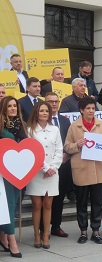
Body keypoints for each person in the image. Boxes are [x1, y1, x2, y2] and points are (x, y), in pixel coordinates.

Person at [64, 97, 102, 244]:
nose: (91, 111)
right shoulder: (74, 126)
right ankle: (83, 231)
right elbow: (67, 146)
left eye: (93, 108)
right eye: (88, 108)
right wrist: (77, 145)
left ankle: (96, 231)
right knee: (81, 203)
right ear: (81, 110)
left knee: (97, 202)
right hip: (82, 169)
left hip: (99, 169)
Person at [26, 101, 63, 249]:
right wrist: (46, 168)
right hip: (36, 172)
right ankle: (36, 235)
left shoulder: (55, 129)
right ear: (36, 112)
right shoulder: (30, 130)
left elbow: (59, 150)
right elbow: (32, 152)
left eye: (46, 111)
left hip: (52, 173)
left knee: (48, 205)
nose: (44, 113)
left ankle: (46, 235)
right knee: (37, 205)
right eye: (41, 111)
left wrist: (53, 168)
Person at [0, 96, 27, 258]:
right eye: (9, 106)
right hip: (4, 173)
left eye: (14, 106)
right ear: (4, 108)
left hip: (19, 171)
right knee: (9, 204)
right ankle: (12, 240)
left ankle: (3, 236)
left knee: (14, 203)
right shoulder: (1, 127)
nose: (12, 108)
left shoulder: (20, 126)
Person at [44, 92, 72, 237]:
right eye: (50, 101)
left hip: (63, 163)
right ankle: (44, 229)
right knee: (45, 197)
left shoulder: (65, 120)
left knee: (59, 196)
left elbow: (68, 140)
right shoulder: (40, 120)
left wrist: (67, 154)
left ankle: (56, 226)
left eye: (56, 101)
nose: (53, 104)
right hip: (45, 165)